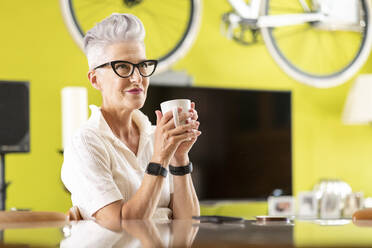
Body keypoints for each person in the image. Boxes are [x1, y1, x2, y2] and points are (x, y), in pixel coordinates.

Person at [61, 13, 201, 221]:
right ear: (95, 79)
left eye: (142, 66)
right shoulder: (86, 143)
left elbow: (188, 224)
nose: (137, 78)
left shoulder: (156, 136)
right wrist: (160, 159)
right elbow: (123, 225)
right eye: (123, 67)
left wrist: (179, 158)